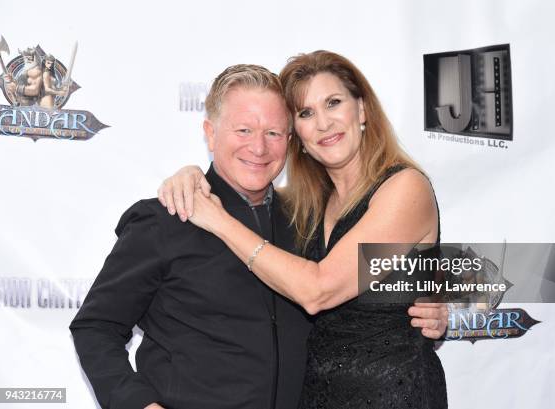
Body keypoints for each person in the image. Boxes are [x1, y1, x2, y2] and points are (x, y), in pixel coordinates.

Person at [158, 50, 448, 408]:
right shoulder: (305, 205)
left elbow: (318, 289)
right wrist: (191, 177)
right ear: (296, 133)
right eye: (306, 113)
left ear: (362, 110)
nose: (323, 123)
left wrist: (217, 219)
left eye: (333, 102)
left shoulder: (405, 187)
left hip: (393, 395)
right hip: (315, 396)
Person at [71, 64, 314, 409]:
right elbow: (95, 327)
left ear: (289, 141)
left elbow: (356, 285)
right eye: (243, 130)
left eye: (274, 133)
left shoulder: (306, 223)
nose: (259, 147)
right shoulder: (164, 219)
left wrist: (420, 302)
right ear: (210, 134)